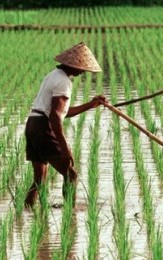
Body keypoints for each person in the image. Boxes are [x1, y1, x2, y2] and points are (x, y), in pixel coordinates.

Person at [24, 42, 106, 207]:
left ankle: (25, 211)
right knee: (71, 176)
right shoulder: (63, 82)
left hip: (33, 124)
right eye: (81, 68)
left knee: (39, 180)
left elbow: (61, 112)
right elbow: (55, 116)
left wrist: (91, 104)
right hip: (43, 127)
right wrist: (64, 147)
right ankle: (70, 214)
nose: (83, 71)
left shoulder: (53, 75)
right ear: (72, 65)